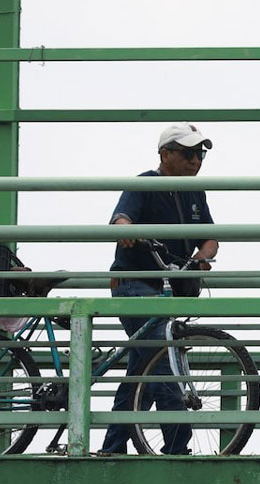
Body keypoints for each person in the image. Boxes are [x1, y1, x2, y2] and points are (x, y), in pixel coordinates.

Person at [98, 122, 219, 455]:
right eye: (188, 153)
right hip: (135, 283)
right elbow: (122, 217)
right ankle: (178, 446)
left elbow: (210, 238)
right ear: (165, 154)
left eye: (200, 154)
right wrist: (124, 229)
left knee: (144, 365)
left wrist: (201, 257)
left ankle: (113, 447)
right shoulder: (145, 184)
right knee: (160, 360)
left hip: (168, 288)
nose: (196, 161)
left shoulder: (195, 192)